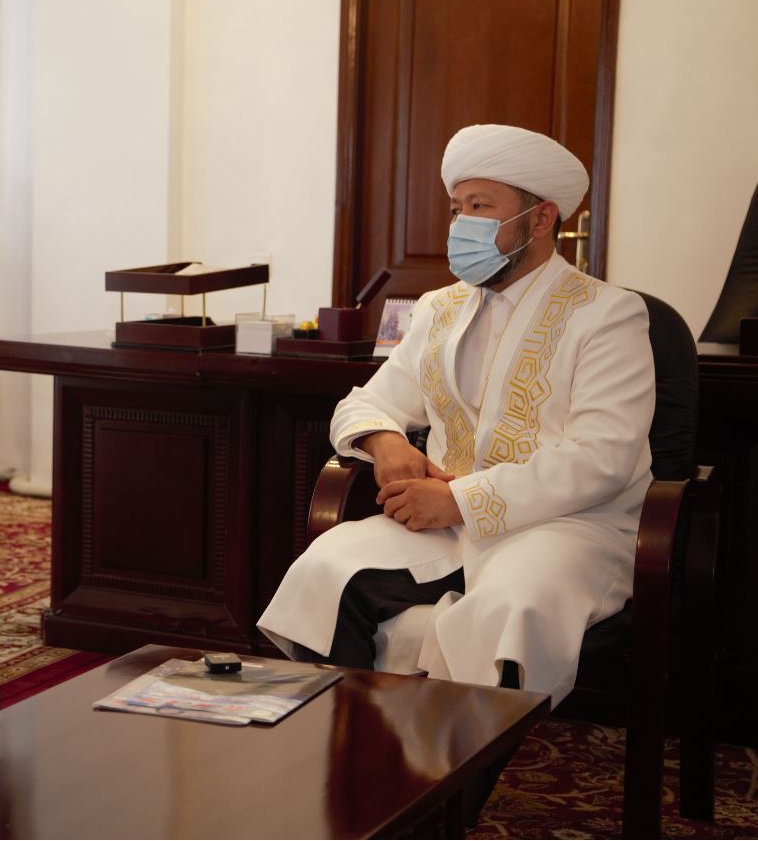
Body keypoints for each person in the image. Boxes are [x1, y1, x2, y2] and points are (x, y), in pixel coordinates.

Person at [258, 123, 655, 706]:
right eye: (456, 208)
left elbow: (603, 458)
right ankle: (355, 750)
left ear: (540, 219)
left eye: (480, 206)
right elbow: (364, 403)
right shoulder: (438, 309)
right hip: (443, 526)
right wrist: (385, 443)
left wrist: (463, 500)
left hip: (567, 527)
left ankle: (454, 766)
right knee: (327, 570)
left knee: (509, 608)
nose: (461, 223)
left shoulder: (608, 314)